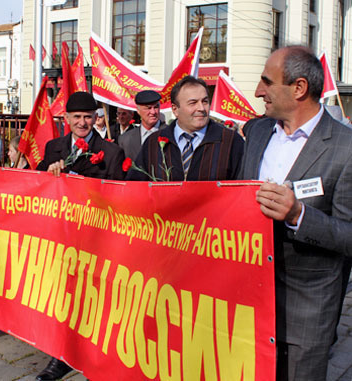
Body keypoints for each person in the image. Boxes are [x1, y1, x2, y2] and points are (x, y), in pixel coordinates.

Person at [238, 46, 352, 380]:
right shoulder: (257, 132)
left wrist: (299, 214)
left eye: (266, 82)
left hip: (307, 315)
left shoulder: (346, 148)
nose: (258, 91)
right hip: (251, 302)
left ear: (299, 88)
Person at [35, 92, 125, 381]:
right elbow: (36, 186)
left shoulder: (111, 152)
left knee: (96, 301)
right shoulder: (53, 148)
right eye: (77, 117)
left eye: (88, 116)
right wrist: (49, 174)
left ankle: (96, 359)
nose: (83, 122)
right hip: (62, 238)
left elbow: (119, 198)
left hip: (97, 239)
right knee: (63, 299)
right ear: (67, 119)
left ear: (96, 118)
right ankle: (60, 357)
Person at [126, 76, 244, 181]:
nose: (201, 108)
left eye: (205, 101)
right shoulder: (153, 143)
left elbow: (242, 189)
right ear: (175, 109)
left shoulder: (231, 141)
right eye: (193, 103)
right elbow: (136, 188)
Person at [119, 90, 165, 161]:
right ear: (138, 110)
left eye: (156, 107)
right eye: (148, 108)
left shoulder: (171, 134)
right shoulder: (125, 140)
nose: (153, 112)